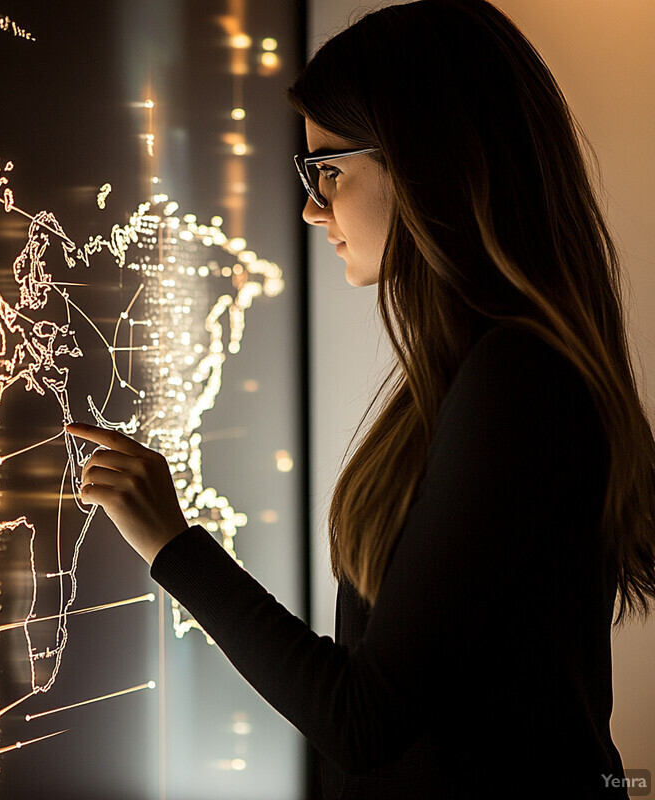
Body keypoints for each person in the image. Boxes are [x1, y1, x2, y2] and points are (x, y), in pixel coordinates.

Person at [66, 1, 655, 797]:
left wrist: (173, 543)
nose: (313, 208)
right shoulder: (486, 372)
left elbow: (365, 719)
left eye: (328, 172)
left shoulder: (518, 379)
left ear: (423, 163)